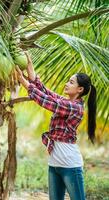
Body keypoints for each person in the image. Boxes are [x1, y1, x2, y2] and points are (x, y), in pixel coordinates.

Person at [15, 53, 97, 200]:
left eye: (71, 82)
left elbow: (45, 101)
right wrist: (29, 66)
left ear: (80, 90)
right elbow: (46, 92)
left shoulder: (75, 107)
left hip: (70, 164)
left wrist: (22, 79)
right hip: (54, 163)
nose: (67, 84)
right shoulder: (66, 101)